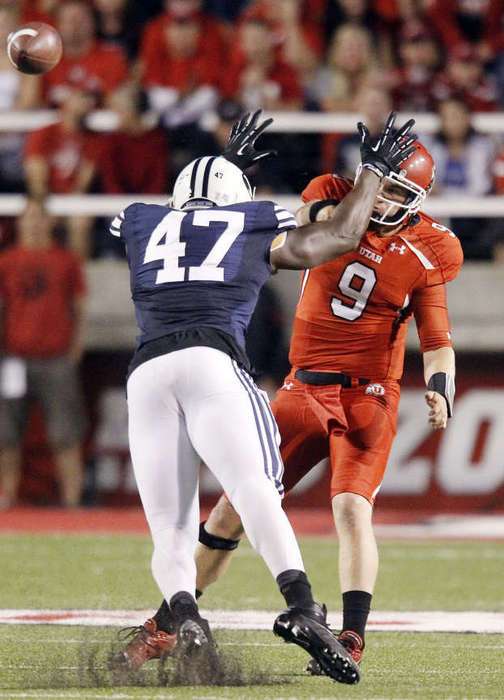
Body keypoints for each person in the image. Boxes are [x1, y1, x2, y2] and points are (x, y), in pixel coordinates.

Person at [124, 121, 464, 675]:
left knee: (353, 508)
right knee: (234, 506)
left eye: (398, 194)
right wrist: (365, 184)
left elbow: (438, 334)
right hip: (305, 385)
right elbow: (318, 229)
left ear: (419, 200)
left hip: (371, 394)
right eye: (381, 187)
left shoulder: (430, 247)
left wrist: (440, 384)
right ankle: (167, 623)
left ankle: (350, 635)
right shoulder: (330, 194)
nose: (383, 201)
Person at [0, 200, 87, 510]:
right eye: (29, 218)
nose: (34, 224)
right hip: (13, 358)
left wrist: (75, 346)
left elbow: (78, 307)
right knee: (6, 435)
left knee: (65, 434)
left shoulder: (65, 261)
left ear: (51, 223)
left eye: (40, 218)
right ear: (20, 223)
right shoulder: (6, 261)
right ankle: (6, 499)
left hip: (55, 357)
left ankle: (71, 502)